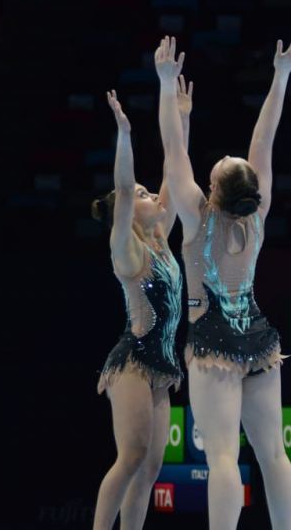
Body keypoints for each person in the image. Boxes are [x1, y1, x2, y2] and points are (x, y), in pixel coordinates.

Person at [154, 33, 291, 530]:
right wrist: (281, 76)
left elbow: (172, 149)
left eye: (221, 165)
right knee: (274, 454)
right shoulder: (258, 214)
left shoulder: (198, 219)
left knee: (222, 457)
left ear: (213, 188)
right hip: (258, 339)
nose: (224, 158)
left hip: (213, 342)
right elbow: (265, 138)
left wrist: (165, 85)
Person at [91, 84, 191, 530]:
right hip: (132, 361)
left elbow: (174, 170)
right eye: (144, 196)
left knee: (150, 467)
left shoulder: (160, 237)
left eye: (149, 193)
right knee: (131, 456)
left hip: (161, 365)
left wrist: (182, 118)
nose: (154, 197)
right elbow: (124, 191)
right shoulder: (127, 252)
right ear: (128, 214)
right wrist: (125, 134)